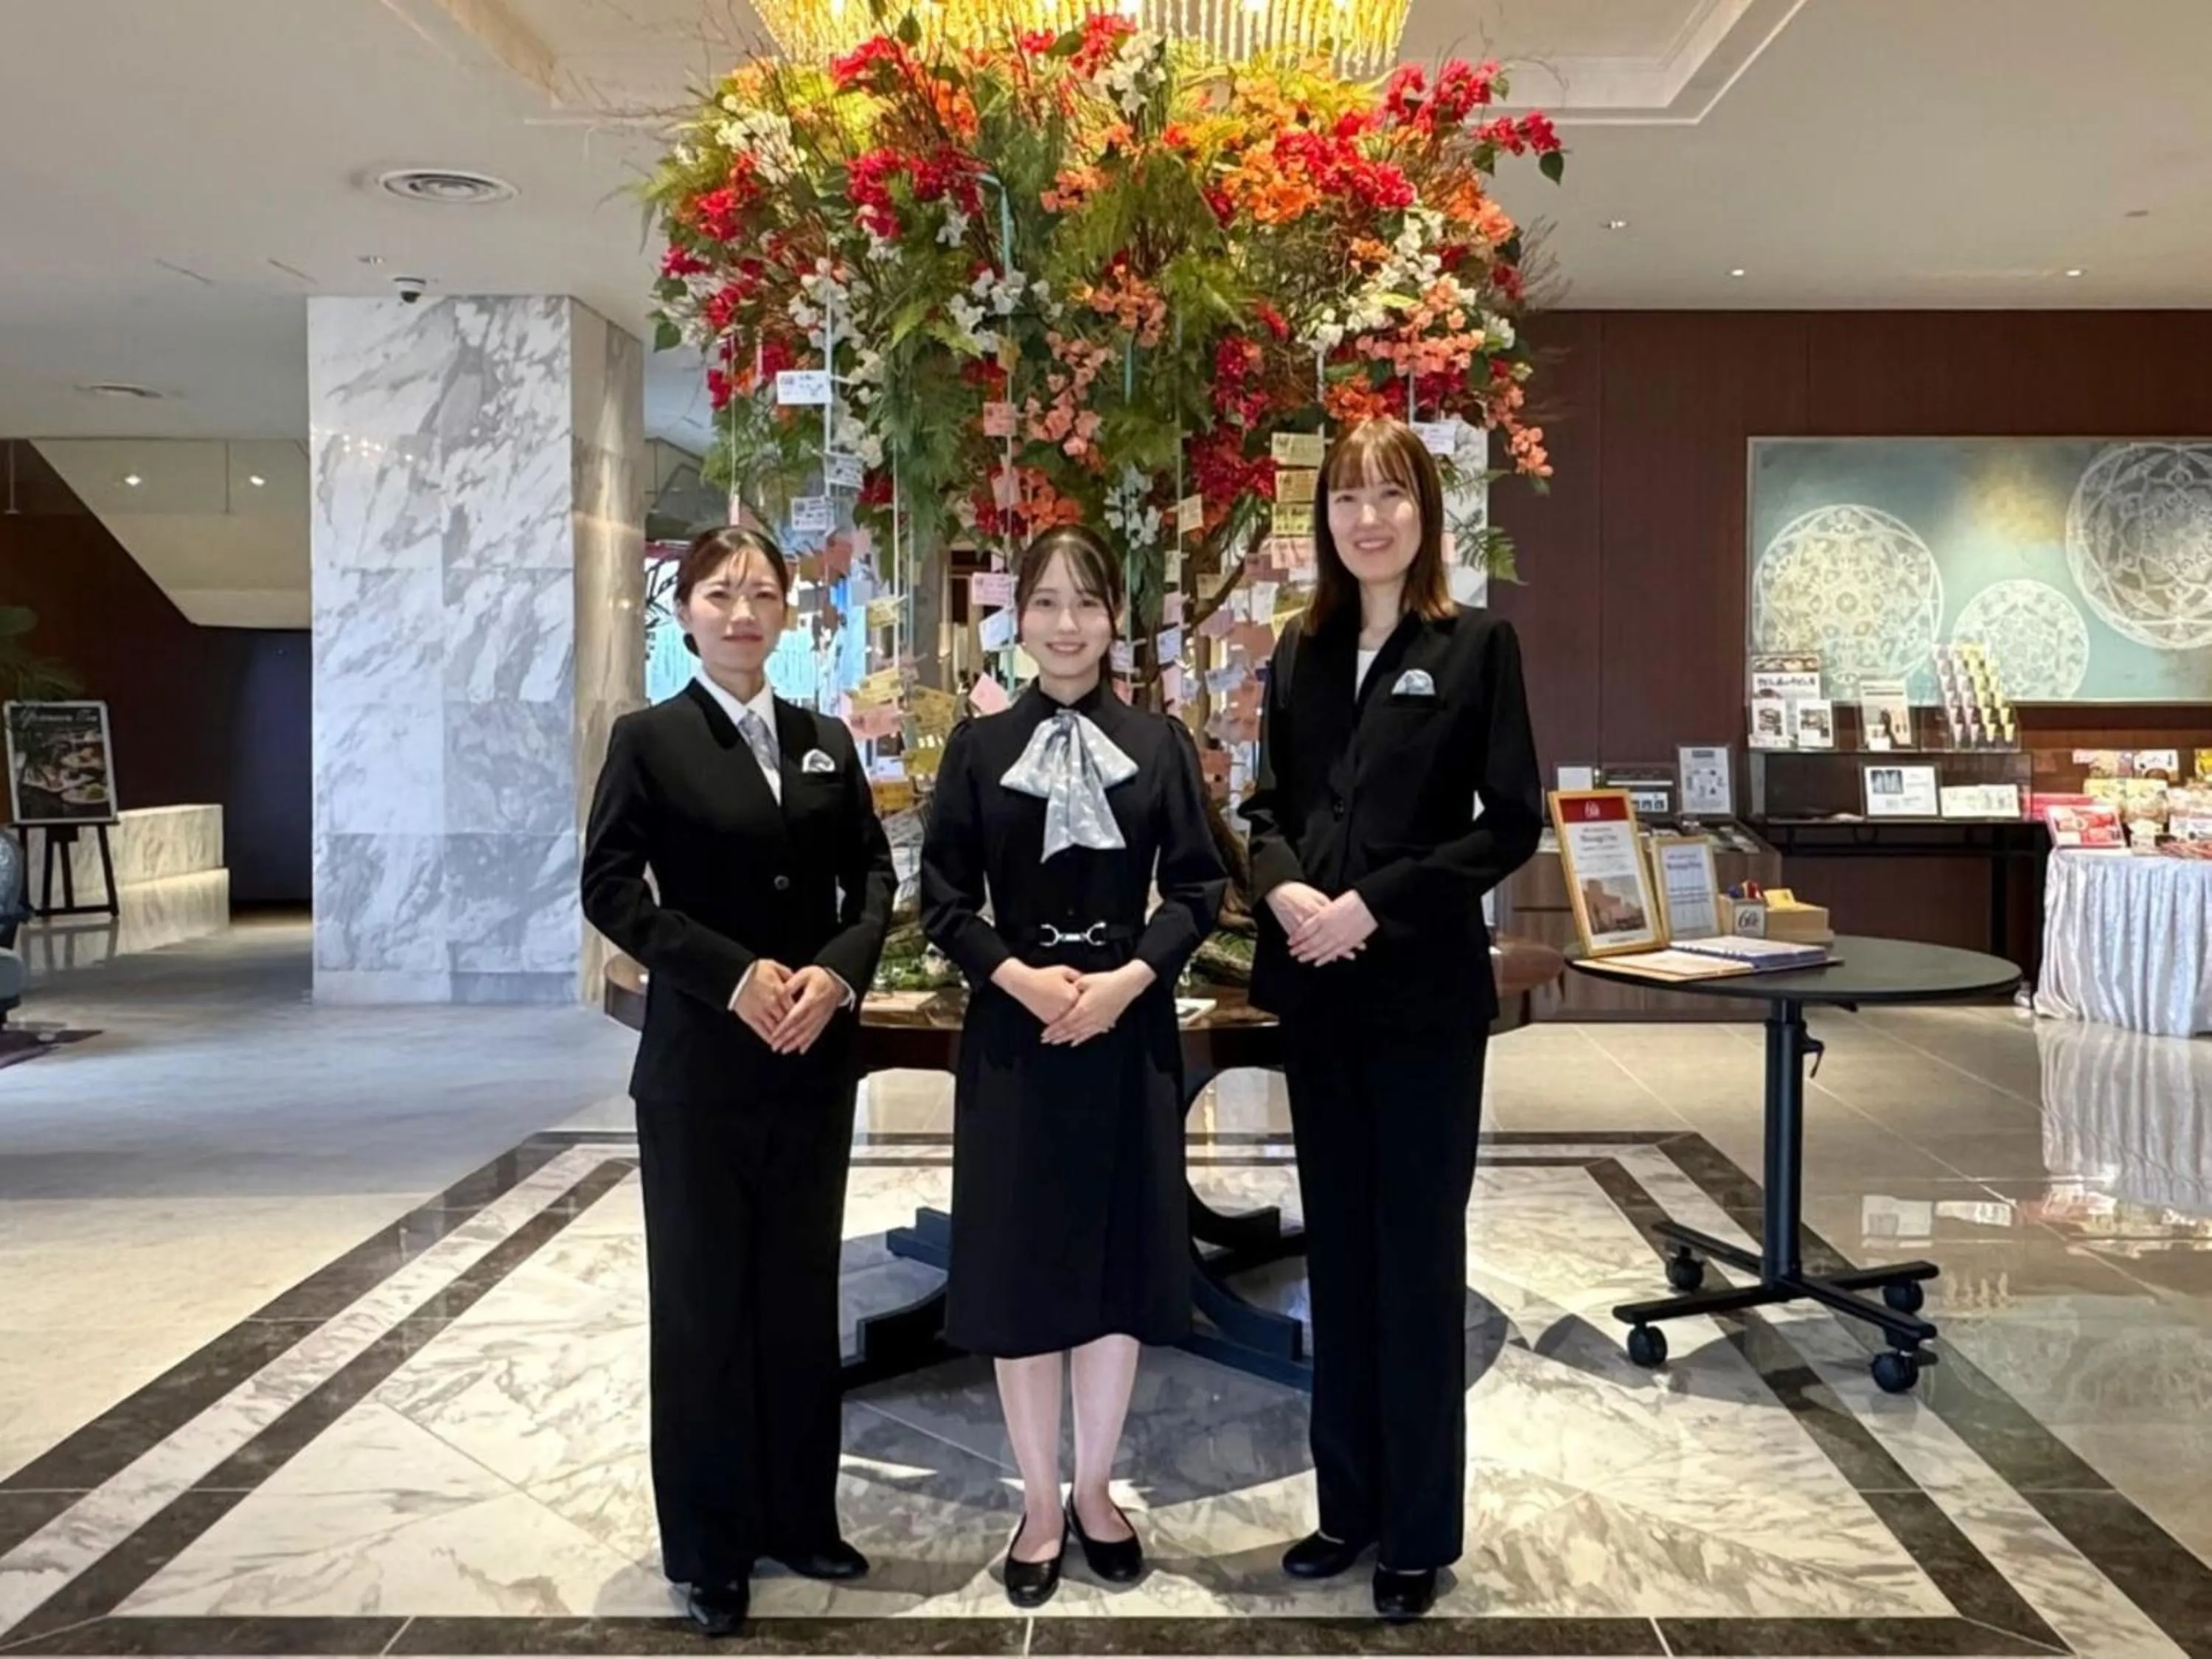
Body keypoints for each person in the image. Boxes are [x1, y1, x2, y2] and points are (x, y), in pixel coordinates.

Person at [1241, 418, 1542, 1621]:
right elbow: (1261, 802)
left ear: (1427, 513)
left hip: (1420, 994)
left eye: (1392, 496)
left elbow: (1507, 820)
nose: (1369, 518)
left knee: (1415, 1259)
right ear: (1325, 519)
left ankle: (1417, 1527)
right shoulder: (1297, 650)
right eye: (1350, 498)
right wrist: (1286, 887)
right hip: (1318, 991)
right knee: (1341, 1255)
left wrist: (1376, 900)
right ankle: (1345, 1505)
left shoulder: (1475, 647)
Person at [581, 526, 894, 1637]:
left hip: (809, 1061)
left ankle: (801, 1515)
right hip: (699, 1069)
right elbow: (611, 889)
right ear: (686, 612)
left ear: (789, 612)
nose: (743, 610)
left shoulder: (822, 740)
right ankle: (712, 1545)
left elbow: (872, 873)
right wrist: (730, 975)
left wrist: (837, 975)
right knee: (706, 1303)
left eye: (763, 592)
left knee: (799, 1292)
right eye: (722, 593)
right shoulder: (650, 739)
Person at [921, 524, 1227, 1608]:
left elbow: (1198, 890)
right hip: (1017, 1036)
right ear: (1018, 619)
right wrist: (1024, 980)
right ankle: (1038, 1499)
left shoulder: (1158, 744)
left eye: (1085, 604)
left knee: (1110, 1267)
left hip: (1124, 1032)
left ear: (1114, 619)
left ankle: (1097, 1487)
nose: (1064, 624)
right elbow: (944, 904)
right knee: (1020, 1271)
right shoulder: (977, 747)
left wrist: (1124, 983)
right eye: (1045, 603)